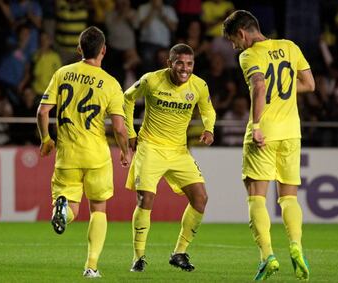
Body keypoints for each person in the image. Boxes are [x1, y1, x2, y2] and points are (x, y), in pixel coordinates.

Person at [223, 10, 315, 281]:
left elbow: (259, 87)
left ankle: (267, 256)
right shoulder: (289, 46)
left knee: (256, 195)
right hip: (291, 133)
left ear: (242, 33)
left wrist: (258, 125)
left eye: (233, 40)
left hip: (265, 134)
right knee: (289, 197)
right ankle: (296, 246)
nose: (234, 46)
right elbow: (310, 84)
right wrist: (284, 86)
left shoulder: (249, 55)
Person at [36, 26, 131, 278]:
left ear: (79, 49)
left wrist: (46, 138)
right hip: (97, 156)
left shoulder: (62, 73)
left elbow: (42, 111)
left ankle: (62, 211)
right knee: (98, 209)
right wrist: (125, 151)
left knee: (72, 210)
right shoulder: (110, 84)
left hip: (67, 156)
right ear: (104, 50)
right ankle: (91, 267)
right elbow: (119, 128)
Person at [124, 43, 216, 272]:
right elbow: (126, 98)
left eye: (189, 64)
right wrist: (130, 133)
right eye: (180, 63)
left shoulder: (199, 85)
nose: (185, 69)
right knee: (146, 199)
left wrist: (209, 128)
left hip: (178, 151)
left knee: (201, 199)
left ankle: (179, 252)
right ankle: (138, 257)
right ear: (169, 63)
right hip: (150, 147)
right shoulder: (151, 80)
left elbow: (208, 109)